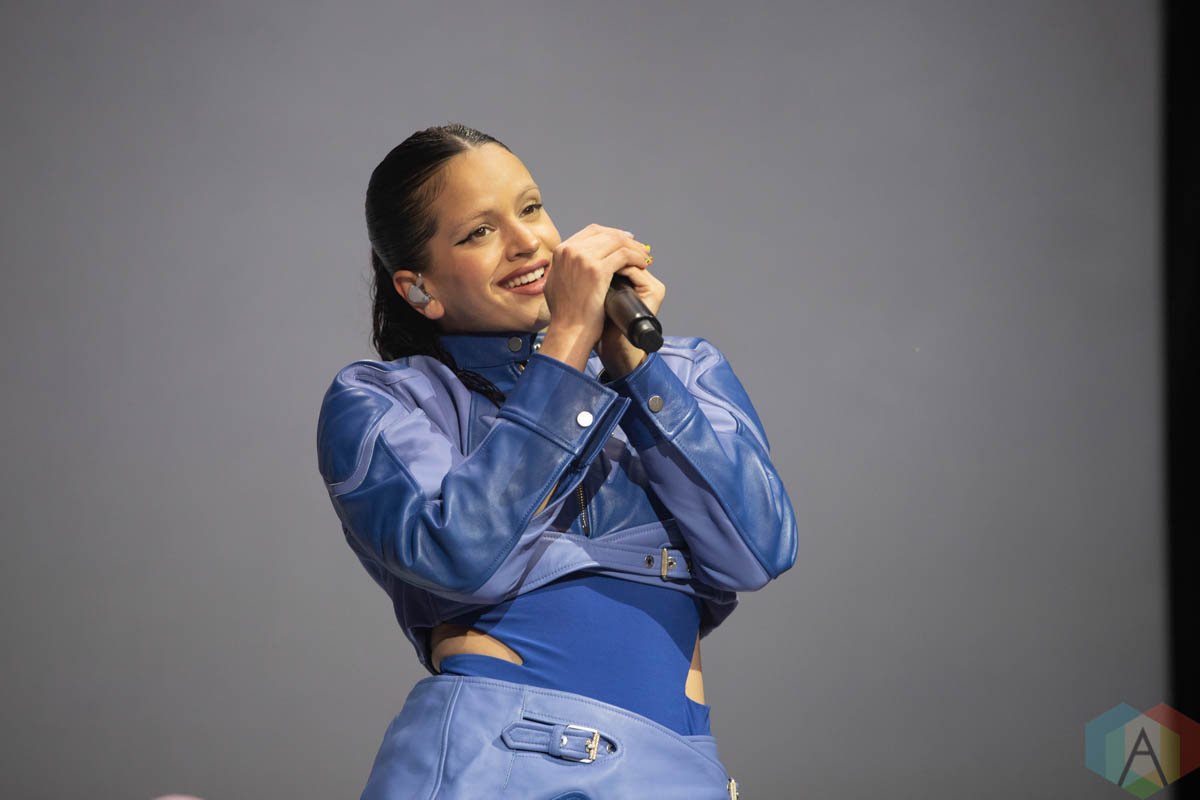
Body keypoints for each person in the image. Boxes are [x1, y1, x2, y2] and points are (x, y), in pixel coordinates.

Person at [315, 123, 797, 800]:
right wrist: (568, 341)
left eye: (531, 208)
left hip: (675, 768)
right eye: (479, 232)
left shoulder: (683, 369)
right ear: (420, 289)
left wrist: (635, 369)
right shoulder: (383, 401)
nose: (526, 242)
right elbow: (459, 555)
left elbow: (758, 552)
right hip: (494, 762)